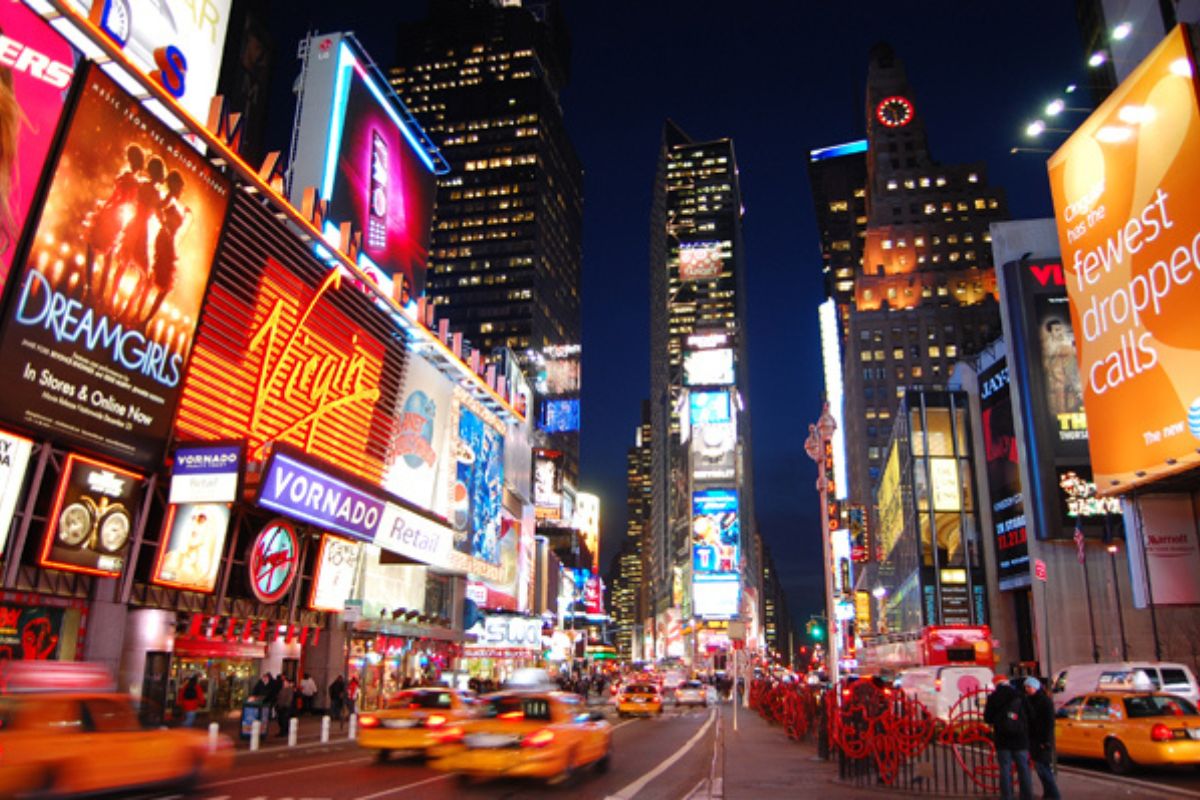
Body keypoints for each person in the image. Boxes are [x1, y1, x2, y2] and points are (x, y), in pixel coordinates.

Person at [983, 677, 1033, 800]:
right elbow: (1030, 714)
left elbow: (987, 718)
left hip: (1002, 739)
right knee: (1023, 769)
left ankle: (1007, 796)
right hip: (1020, 738)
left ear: (995, 684)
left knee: (1005, 769)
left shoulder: (993, 697)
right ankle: (1026, 796)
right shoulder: (1019, 695)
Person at [1024, 677, 1061, 800]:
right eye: (1026, 687)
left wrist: (1046, 741)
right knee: (1041, 768)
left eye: (1029, 687)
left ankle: (1055, 795)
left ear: (1036, 687)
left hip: (1041, 739)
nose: (1027, 689)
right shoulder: (1029, 700)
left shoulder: (1044, 701)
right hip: (1034, 739)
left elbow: (1049, 723)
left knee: (1043, 768)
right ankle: (1049, 793)